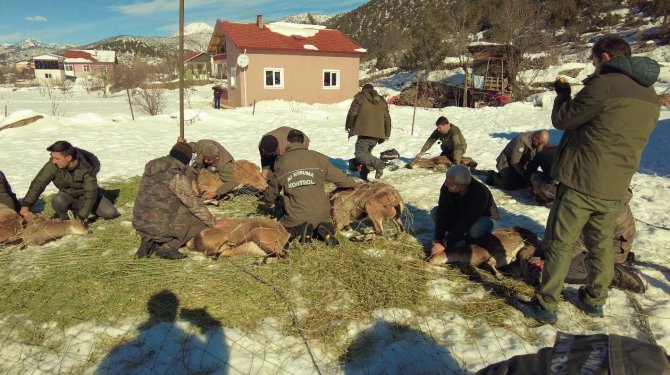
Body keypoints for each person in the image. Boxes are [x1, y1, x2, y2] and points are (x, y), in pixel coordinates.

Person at [513, 35, 660, 324]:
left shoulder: (604, 85)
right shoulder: (650, 96)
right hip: (616, 186)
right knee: (601, 245)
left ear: (605, 57)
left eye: (593, 61)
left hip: (582, 182)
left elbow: (563, 120)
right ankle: (594, 301)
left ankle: (546, 305)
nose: (592, 68)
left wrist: (562, 94)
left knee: (559, 243)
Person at [527, 189, 644, 293]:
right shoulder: (602, 191)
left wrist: (551, 262)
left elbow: (580, 240)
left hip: (605, 249)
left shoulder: (599, 202)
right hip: (597, 243)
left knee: (559, 271)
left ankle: (611, 274)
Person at [265, 129, 359, 246]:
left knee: (286, 227)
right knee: (324, 222)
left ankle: (304, 231)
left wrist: (268, 200)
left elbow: (273, 187)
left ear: (288, 142)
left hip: (296, 217)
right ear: (303, 142)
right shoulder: (318, 157)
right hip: (322, 215)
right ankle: (325, 230)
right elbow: (340, 177)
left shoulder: (282, 162)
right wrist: (353, 184)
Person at [133, 142, 225, 259]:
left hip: (140, 222)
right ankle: (168, 247)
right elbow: (192, 202)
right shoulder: (175, 175)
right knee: (197, 217)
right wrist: (212, 221)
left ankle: (149, 240)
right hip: (158, 227)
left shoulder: (153, 166)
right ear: (186, 159)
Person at [20, 140, 119, 221]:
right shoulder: (53, 165)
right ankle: (67, 218)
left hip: (87, 195)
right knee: (57, 200)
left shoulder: (87, 169)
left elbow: (90, 195)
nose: (53, 161)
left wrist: (81, 218)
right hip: (68, 195)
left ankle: (90, 208)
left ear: (69, 158)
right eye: (52, 157)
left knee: (110, 213)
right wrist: (26, 205)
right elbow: (39, 183)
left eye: (57, 158)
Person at [430, 165, 500, 258]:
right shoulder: (447, 187)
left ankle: (472, 241)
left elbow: (467, 221)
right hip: (461, 215)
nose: (445, 184)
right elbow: (443, 211)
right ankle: (459, 236)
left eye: (449, 183)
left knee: (476, 230)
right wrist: (438, 240)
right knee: (435, 212)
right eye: (446, 181)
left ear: (462, 187)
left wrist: (445, 244)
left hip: (483, 219)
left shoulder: (480, 193)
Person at [345, 83, 393, 180]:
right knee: (366, 155)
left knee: (360, 154)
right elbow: (387, 118)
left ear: (363, 90)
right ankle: (363, 176)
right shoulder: (382, 101)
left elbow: (352, 113)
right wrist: (387, 133)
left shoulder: (360, 98)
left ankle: (379, 164)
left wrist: (349, 126)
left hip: (364, 132)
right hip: (377, 135)